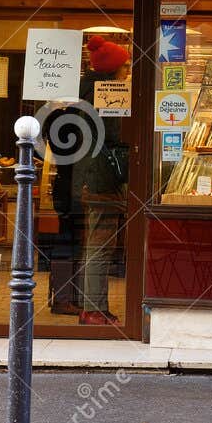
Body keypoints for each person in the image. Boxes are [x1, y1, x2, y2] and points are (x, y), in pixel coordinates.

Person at [75, 34, 131, 326]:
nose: (127, 72)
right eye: (124, 67)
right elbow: (113, 138)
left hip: (92, 177)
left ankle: (93, 307)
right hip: (102, 180)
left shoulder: (88, 94)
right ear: (112, 71)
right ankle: (93, 310)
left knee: (96, 245)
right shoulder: (105, 96)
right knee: (100, 246)